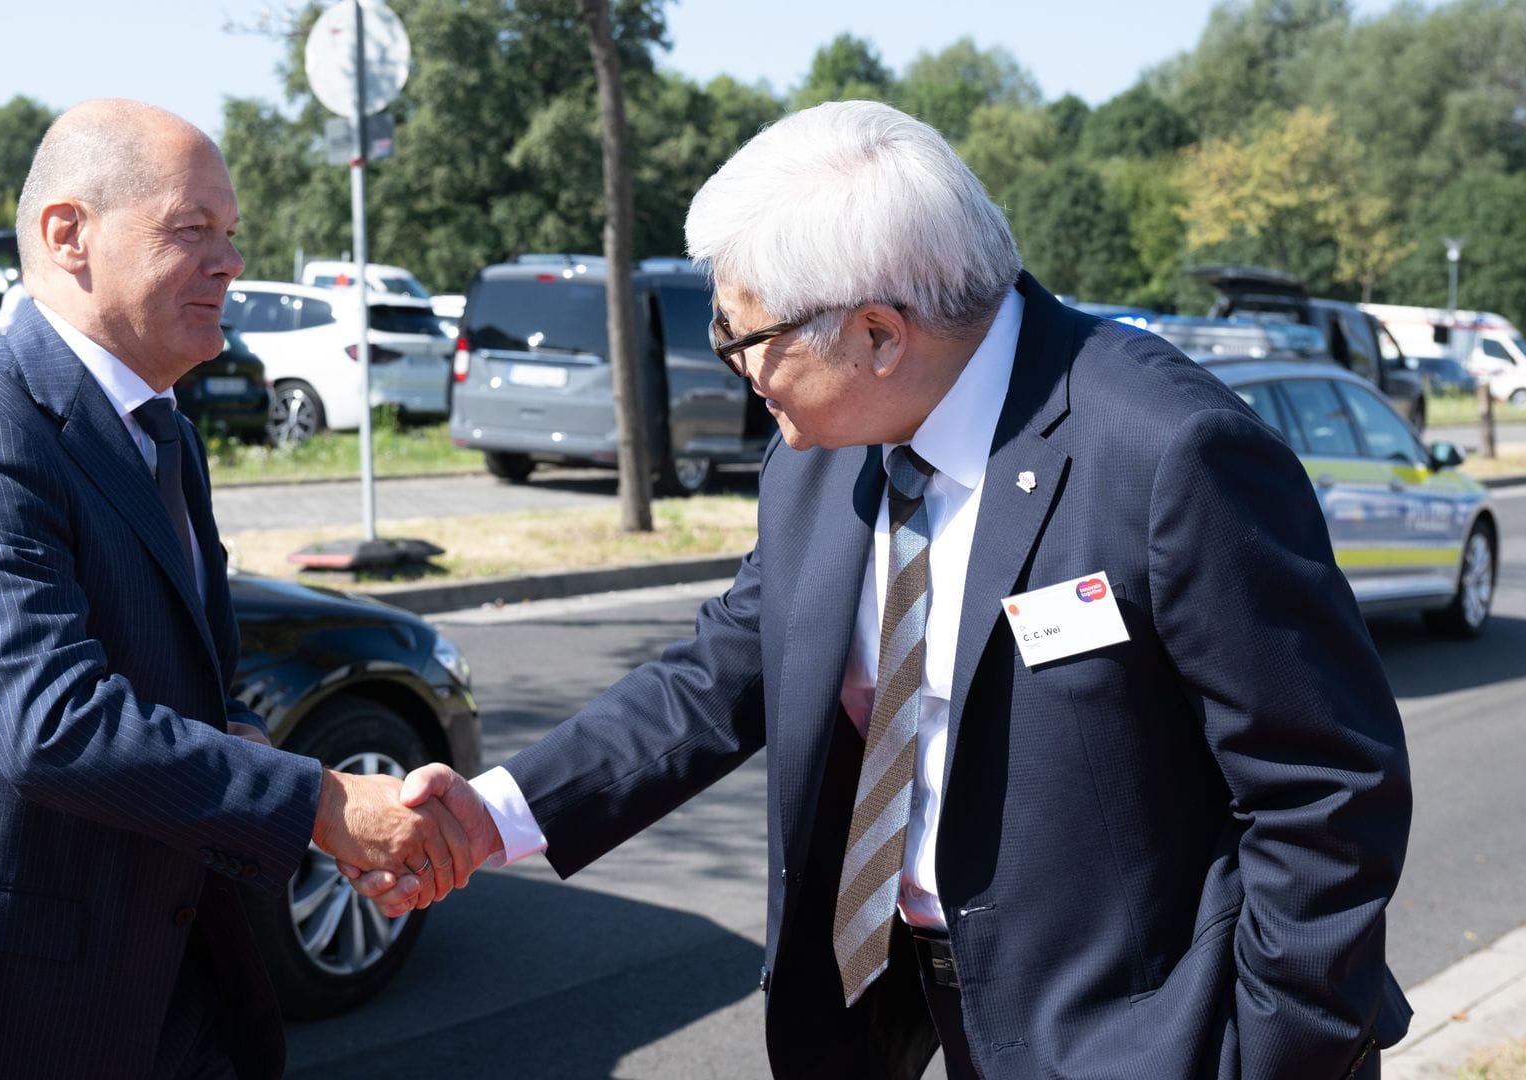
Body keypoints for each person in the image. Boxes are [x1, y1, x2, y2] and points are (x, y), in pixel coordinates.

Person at [358, 100, 1413, 1079]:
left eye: (743, 337)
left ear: (876, 333)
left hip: (1145, 1035)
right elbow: (726, 671)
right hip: (905, 1009)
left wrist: (1271, 1055)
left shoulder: (1170, 453)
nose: (738, 371)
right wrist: (492, 816)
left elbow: (1326, 792)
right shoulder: (821, 455)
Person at [0, 99, 470, 1080]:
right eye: (192, 229)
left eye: (231, 234)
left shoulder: (165, 435)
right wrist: (323, 804)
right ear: (67, 235)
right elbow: (54, 726)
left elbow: (180, 693)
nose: (230, 262)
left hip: (156, 993)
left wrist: (257, 756)